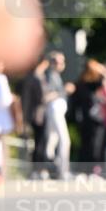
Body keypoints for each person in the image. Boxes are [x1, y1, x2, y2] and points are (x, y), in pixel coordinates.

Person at [43, 51, 72, 180]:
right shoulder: (49, 76)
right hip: (54, 109)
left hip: (58, 109)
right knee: (64, 140)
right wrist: (64, 90)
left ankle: (49, 169)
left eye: (62, 61)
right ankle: (62, 170)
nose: (60, 64)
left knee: (52, 141)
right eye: (57, 61)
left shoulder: (55, 76)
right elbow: (47, 96)